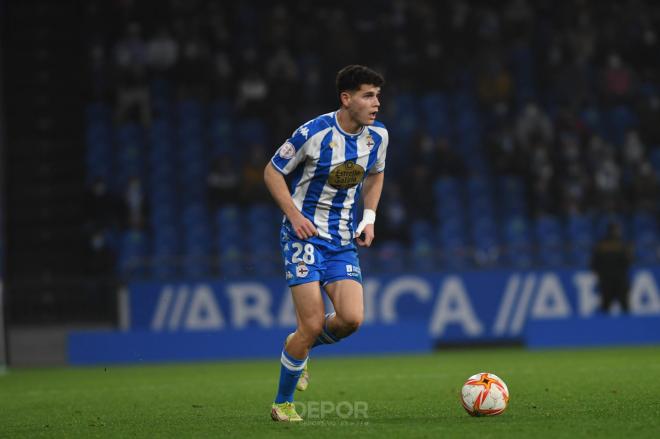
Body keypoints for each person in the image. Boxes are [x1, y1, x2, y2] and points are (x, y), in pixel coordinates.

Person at [263, 65, 387, 422]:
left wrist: (369, 218)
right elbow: (272, 172)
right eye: (368, 95)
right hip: (304, 237)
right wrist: (295, 215)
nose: (376, 102)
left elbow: (376, 175)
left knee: (351, 319)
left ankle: (297, 348)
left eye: (378, 95)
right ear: (346, 99)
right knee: (314, 323)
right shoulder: (313, 133)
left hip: (341, 241)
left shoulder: (377, 137)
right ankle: (283, 403)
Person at [590, 222, 634, 313]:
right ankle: (628, 326)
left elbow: (593, 263)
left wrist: (600, 275)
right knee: (624, 306)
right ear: (615, 231)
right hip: (620, 280)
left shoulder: (600, 245)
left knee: (605, 306)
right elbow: (627, 262)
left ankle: (603, 326)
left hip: (605, 281)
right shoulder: (622, 245)